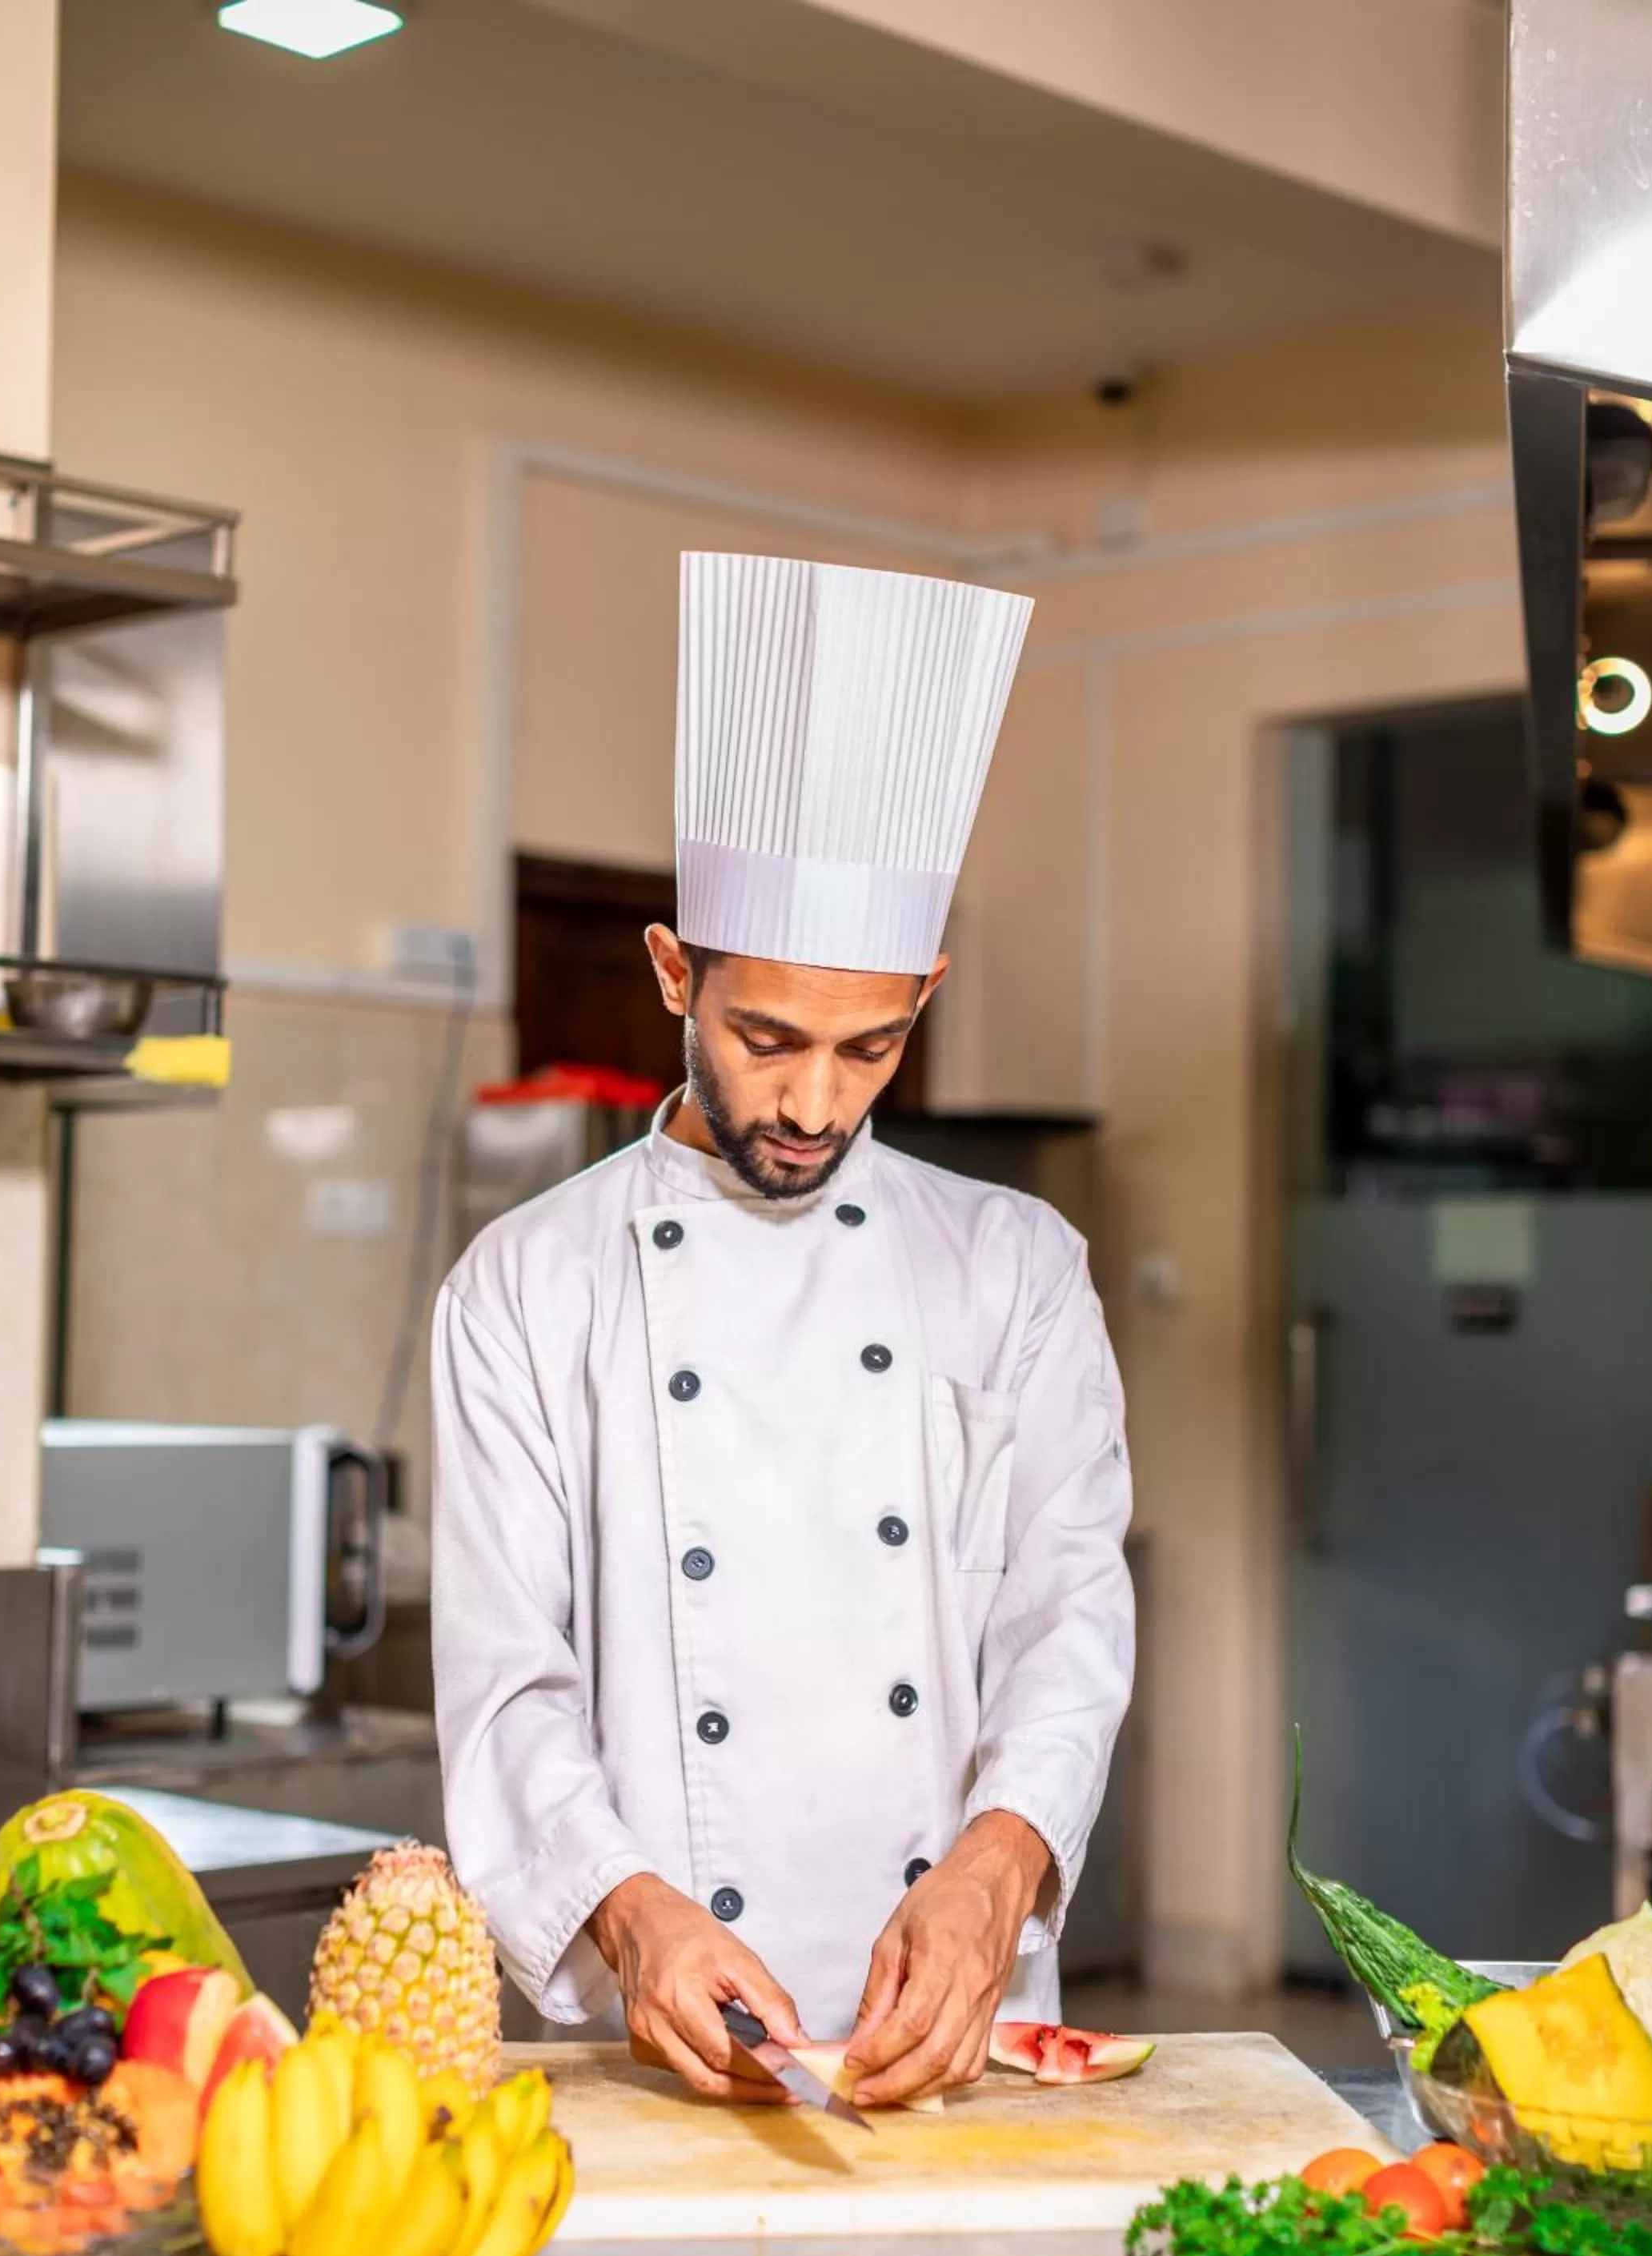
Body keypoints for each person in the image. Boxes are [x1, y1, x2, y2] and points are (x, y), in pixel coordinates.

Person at [433, 552, 1134, 2108]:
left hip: (956, 2031)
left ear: (925, 995)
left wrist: (1001, 1862)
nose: (815, 1101)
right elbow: (507, 1679)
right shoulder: (523, 1286)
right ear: (674, 976)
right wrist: (627, 1913)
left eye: (871, 1044)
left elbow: (1066, 1616)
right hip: (666, 2033)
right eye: (766, 1038)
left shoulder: (1013, 1264)